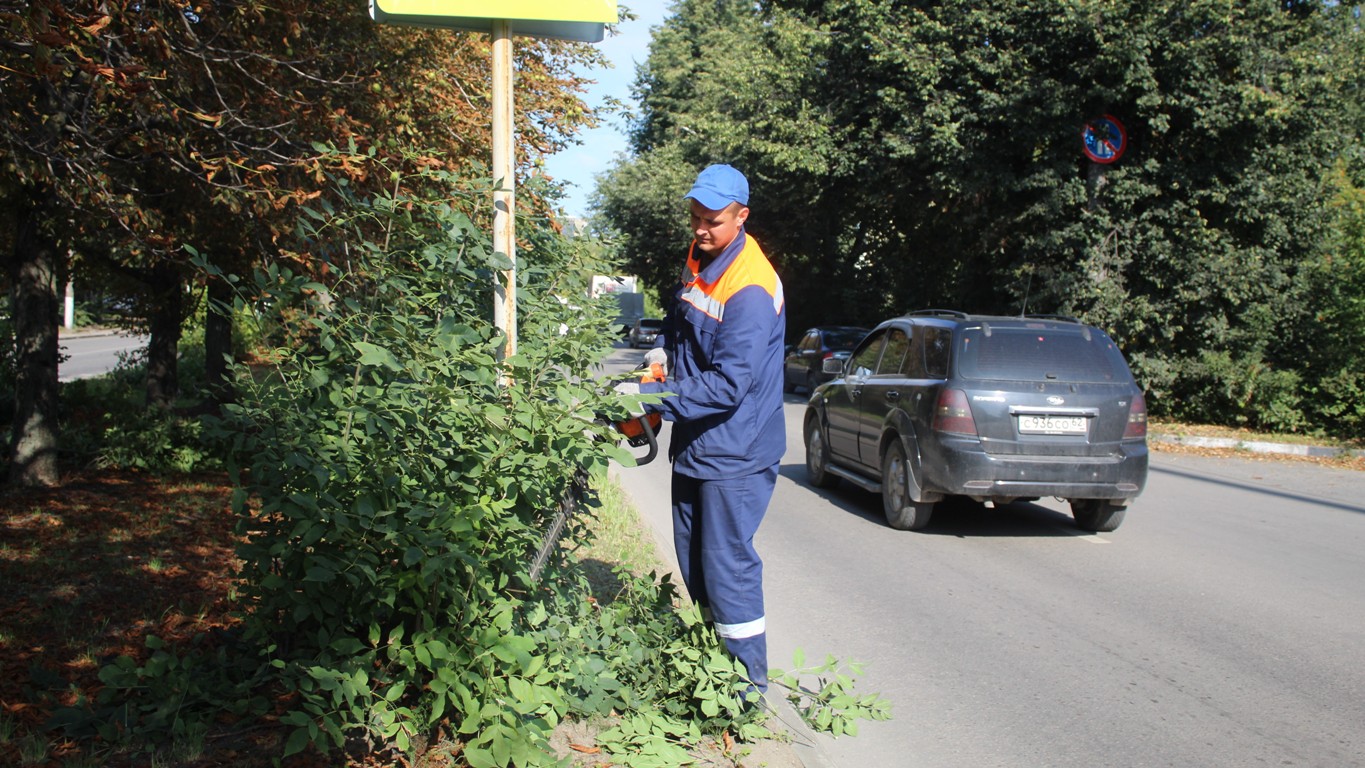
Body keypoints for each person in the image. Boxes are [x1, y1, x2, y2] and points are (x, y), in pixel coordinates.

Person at [623, 164, 787, 695]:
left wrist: (654, 399)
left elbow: (728, 385)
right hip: (698, 444)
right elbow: (684, 334)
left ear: (742, 218)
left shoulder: (752, 287)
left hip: (736, 452)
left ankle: (745, 693)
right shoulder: (703, 257)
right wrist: (660, 360)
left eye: (711, 220)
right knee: (694, 560)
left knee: (728, 568)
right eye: (694, 216)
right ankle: (709, 666)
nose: (699, 228)